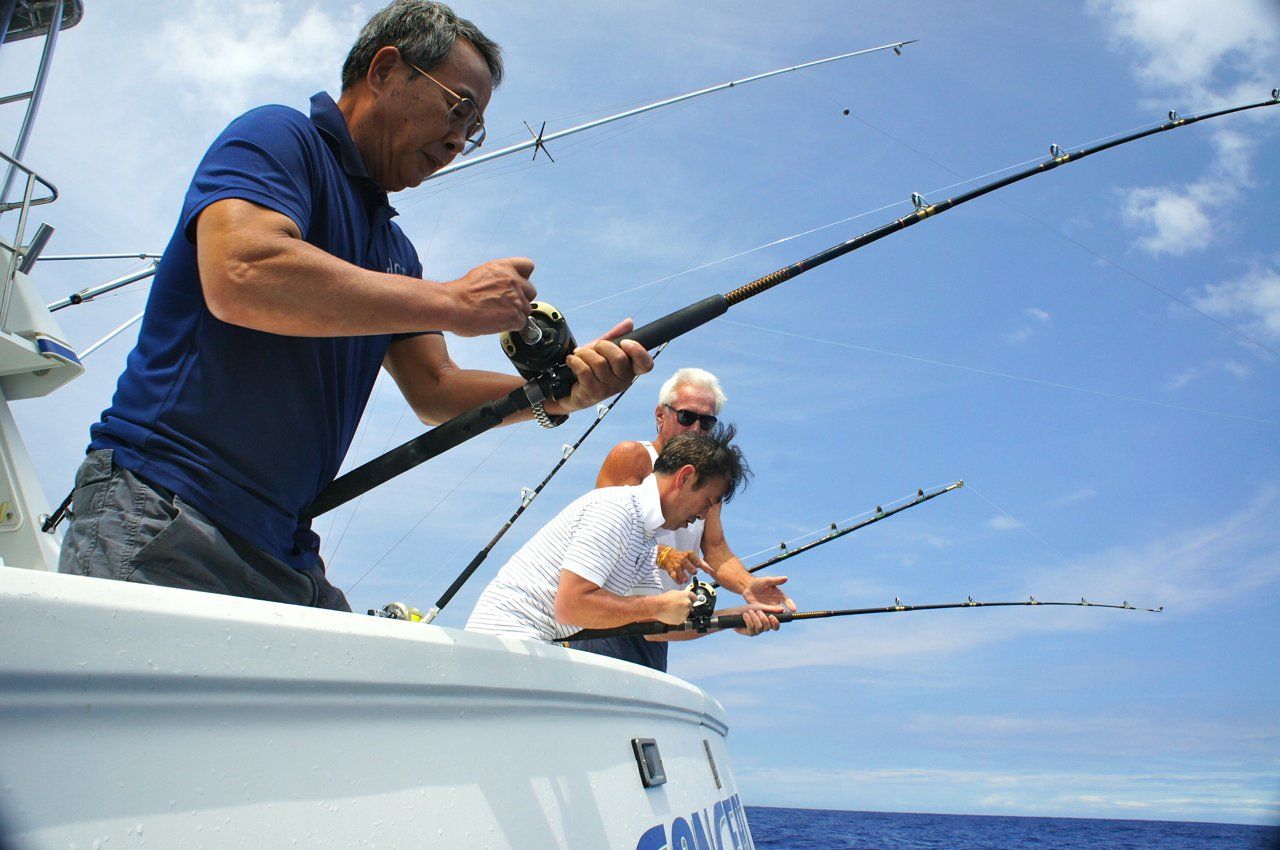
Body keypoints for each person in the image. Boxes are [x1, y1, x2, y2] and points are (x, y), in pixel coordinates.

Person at [57, 0, 652, 611]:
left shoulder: (396, 252)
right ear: (385, 70)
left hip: (282, 546)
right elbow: (244, 272)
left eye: (472, 129)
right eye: (458, 107)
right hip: (164, 505)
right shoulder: (278, 138)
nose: (458, 138)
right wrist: (450, 301)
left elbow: (435, 388)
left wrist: (561, 397)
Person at [564, 368, 795, 670]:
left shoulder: (708, 485)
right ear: (660, 415)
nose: (697, 428)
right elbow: (606, 536)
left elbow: (716, 549)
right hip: (603, 621)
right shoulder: (632, 457)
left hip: (656, 631)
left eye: (707, 421)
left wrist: (748, 587)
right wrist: (665, 555)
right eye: (687, 417)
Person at [464, 428, 781, 643]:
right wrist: (654, 606)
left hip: (534, 641)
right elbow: (571, 605)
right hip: (507, 637)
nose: (703, 515)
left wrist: (731, 617)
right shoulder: (617, 510)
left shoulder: (644, 537)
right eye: (708, 502)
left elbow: (653, 630)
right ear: (686, 478)